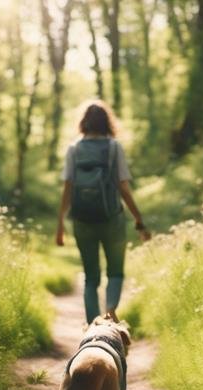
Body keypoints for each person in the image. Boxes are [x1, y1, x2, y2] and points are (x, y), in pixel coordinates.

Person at [56, 101, 150, 324]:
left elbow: (68, 188)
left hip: (81, 220)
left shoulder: (74, 149)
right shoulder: (114, 147)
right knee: (115, 272)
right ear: (107, 122)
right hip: (112, 219)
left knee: (91, 278)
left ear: (84, 123)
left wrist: (60, 224)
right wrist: (139, 219)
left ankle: (92, 328)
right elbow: (123, 188)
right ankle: (110, 310)